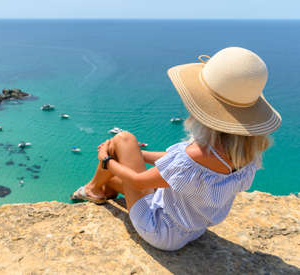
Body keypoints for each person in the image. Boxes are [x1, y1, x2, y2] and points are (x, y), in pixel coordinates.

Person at [70, 47, 282, 251]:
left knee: (123, 138)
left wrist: (107, 159)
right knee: (118, 169)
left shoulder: (196, 155)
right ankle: (100, 189)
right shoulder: (247, 154)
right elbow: (177, 164)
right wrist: (136, 153)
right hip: (193, 228)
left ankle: (92, 189)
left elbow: (137, 180)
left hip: (159, 231)